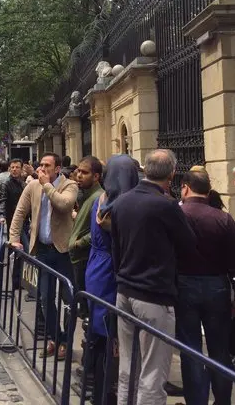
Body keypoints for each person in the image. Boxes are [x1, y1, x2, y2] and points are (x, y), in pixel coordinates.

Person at [111, 149, 199, 405]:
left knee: (128, 366)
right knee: (153, 371)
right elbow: (189, 244)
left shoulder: (122, 202)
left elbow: (115, 247)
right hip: (153, 293)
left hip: (124, 290)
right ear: (172, 174)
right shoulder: (166, 205)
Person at [178, 170, 235, 405]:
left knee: (190, 349)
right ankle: (223, 400)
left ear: (185, 188)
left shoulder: (177, 215)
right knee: (219, 349)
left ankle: (196, 400)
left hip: (184, 284)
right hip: (217, 286)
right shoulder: (223, 218)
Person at [10, 153, 78, 361]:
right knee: (45, 297)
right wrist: (14, 238)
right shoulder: (32, 186)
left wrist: (47, 185)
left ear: (57, 169)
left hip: (64, 250)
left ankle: (67, 342)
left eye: (47, 165)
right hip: (42, 249)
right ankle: (56, 339)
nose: (42, 168)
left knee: (69, 299)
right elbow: (20, 212)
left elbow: (64, 205)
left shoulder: (69, 185)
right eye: (41, 164)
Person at [85, 155, 138, 405]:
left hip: (96, 267)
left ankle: (98, 388)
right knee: (112, 335)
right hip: (111, 269)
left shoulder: (101, 200)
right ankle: (106, 392)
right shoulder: (124, 207)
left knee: (100, 332)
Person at [69, 156, 104, 318]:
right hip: (79, 257)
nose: (79, 175)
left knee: (87, 310)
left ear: (96, 176)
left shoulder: (98, 197)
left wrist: (79, 243)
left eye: (84, 172)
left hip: (85, 258)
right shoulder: (86, 195)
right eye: (78, 171)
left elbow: (99, 229)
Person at [0, 159, 28, 289]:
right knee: (21, 250)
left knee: (21, 251)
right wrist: (1, 215)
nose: (14, 169)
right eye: (12, 167)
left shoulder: (23, 183)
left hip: (25, 221)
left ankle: (20, 280)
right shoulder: (7, 184)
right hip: (14, 222)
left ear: (21, 169)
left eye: (17, 167)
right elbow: (3, 200)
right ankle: (17, 281)